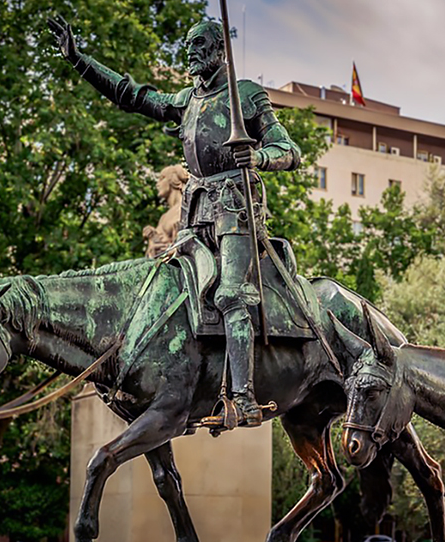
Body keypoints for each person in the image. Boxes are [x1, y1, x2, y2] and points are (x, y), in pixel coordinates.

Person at [47, 17, 301, 427]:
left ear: (220, 49)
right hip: (195, 213)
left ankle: (243, 398)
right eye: (188, 46)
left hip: (235, 208)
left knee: (232, 295)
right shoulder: (186, 100)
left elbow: (289, 150)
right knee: (164, 290)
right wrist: (79, 59)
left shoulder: (246, 95)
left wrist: (259, 157)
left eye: (199, 44)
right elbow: (131, 94)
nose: (191, 52)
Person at [143, 164, 189, 259]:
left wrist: (175, 249)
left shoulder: (186, 207)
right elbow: (154, 250)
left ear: (174, 180)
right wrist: (152, 239)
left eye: (162, 178)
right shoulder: (164, 217)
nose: (157, 184)